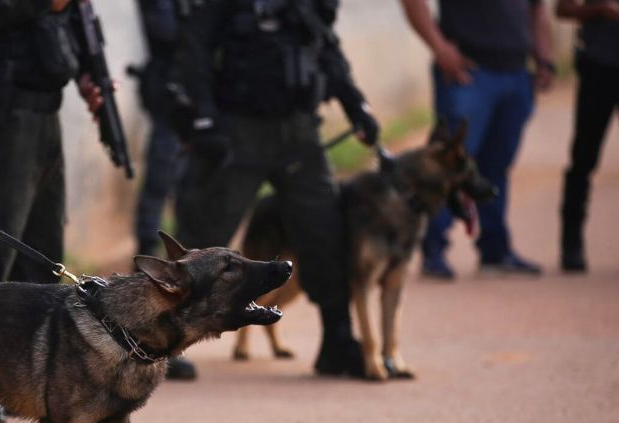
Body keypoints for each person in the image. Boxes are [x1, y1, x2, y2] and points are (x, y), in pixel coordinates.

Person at [173, 0, 380, 377]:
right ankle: (164, 342)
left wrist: (356, 104)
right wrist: (203, 115)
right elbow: (194, 48)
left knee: (324, 232)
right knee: (204, 234)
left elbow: (326, 48)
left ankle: (337, 339)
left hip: (299, 131)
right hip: (238, 129)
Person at [0, 0, 117, 423]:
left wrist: (87, 74)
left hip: (43, 113)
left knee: (41, 252)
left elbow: (64, 21)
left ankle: (11, 382)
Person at [400, 0, 555, 279]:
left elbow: (537, 8)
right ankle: (433, 248)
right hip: (469, 72)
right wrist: (439, 48)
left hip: (516, 72)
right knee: (448, 164)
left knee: (497, 167)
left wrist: (544, 58)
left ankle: (495, 251)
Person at [132, 0, 198, 381]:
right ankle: (145, 294)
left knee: (190, 198)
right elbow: (167, 33)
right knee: (158, 192)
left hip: (201, 97)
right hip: (171, 97)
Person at [554, 0, 619, 272]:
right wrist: (599, 10)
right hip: (600, 64)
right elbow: (562, 9)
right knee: (584, 157)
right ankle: (572, 245)